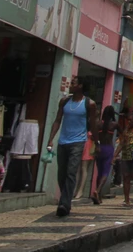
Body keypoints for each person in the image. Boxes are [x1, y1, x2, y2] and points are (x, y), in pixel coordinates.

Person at [46, 76, 98, 217]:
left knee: (71, 172)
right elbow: (57, 120)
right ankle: (65, 198)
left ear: (80, 86)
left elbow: (93, 124)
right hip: (63, 141)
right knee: (61, 173)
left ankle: (64, 204)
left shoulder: (89, 104)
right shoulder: (64, 101)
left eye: (74, 83)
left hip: (78, 142)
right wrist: (50, 139)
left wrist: (96, 142)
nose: (70, 84)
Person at [91, 105, 118, 205]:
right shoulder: (114, 125)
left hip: (99, 148)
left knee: (100, 171)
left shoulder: (98, 124)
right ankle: (97, 191)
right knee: (105, 172)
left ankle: (99, 197)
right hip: (108, 149)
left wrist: (96, 145)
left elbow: (93, 135)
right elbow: (124, 134)